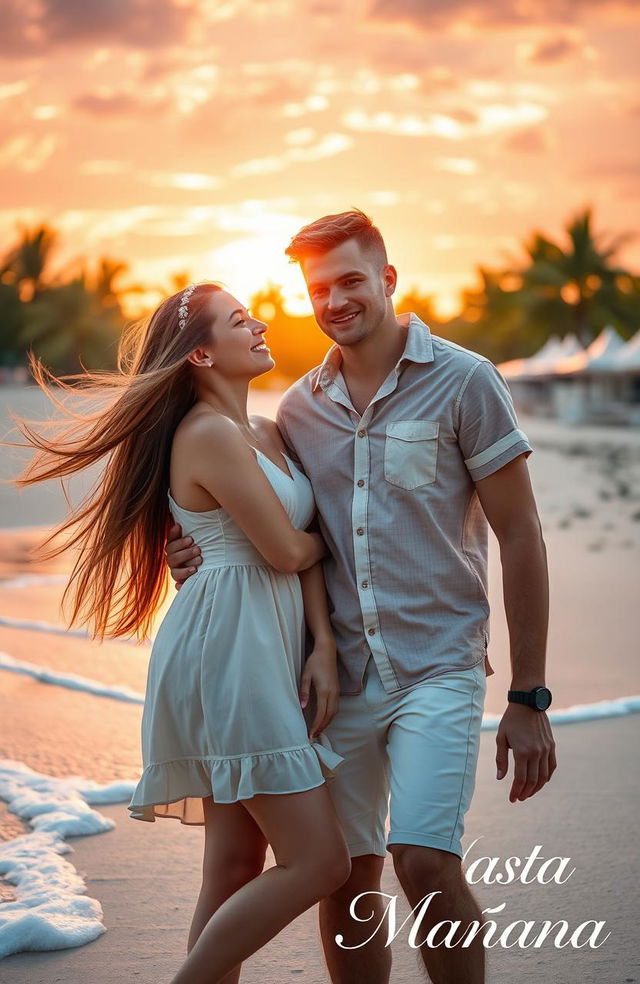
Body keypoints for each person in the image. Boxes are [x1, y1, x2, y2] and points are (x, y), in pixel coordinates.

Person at [167, 210, 557, 984]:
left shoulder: (466, 380)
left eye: (351, 280)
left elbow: (522, 535)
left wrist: (528, 695)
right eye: (320, 288)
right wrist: (193, 554)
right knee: (346, 876)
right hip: (334, 676)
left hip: (436, 666)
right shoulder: (300, 411)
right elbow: (257, 517)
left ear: (386, 279)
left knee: (423, 860)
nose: (336, 299)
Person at [12, 282, 351, 984]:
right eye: (238, 321)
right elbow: (290, 551)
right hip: (229, 651)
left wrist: (321, 643)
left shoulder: (267, 431)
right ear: (200, 352)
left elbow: (294, 545)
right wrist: (339, 541)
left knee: (232, 867)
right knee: (321, 862)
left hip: (264, 640)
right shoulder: (205, 434)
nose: (259, 325)